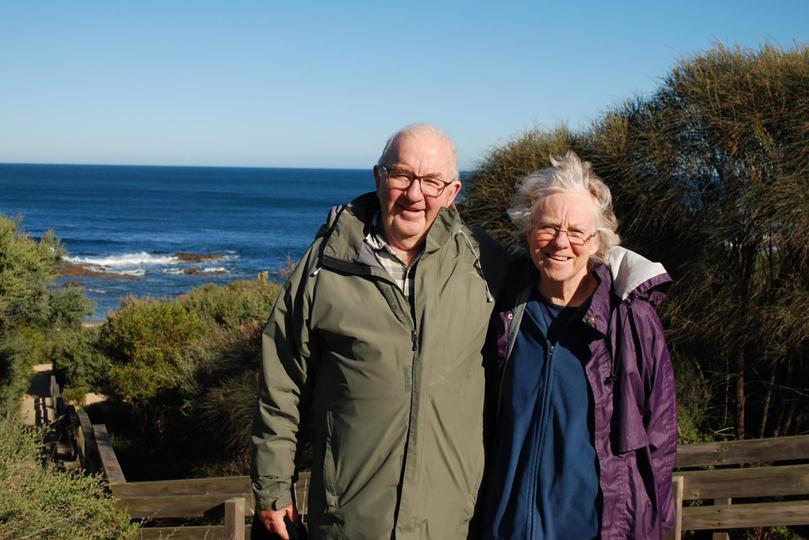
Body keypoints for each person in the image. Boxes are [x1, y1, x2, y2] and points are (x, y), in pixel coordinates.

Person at [251, 124, 507, 539]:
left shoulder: (486, 264)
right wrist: (274, 485)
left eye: (431, 182)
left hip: (449, 521)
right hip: (348, 519)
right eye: (402, 175)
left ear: (452, 192)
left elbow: (558, 285)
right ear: (378, 177)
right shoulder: (326, 264)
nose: (414, 195)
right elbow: (282, 380)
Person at [482, 151, 677, 539]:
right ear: (527, 231)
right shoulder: (503, 311)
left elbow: (660, 442)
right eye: (547, 227)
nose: (560, 243)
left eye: (576, 232)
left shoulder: (631, 322)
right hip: (505, 529)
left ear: (597, 241)